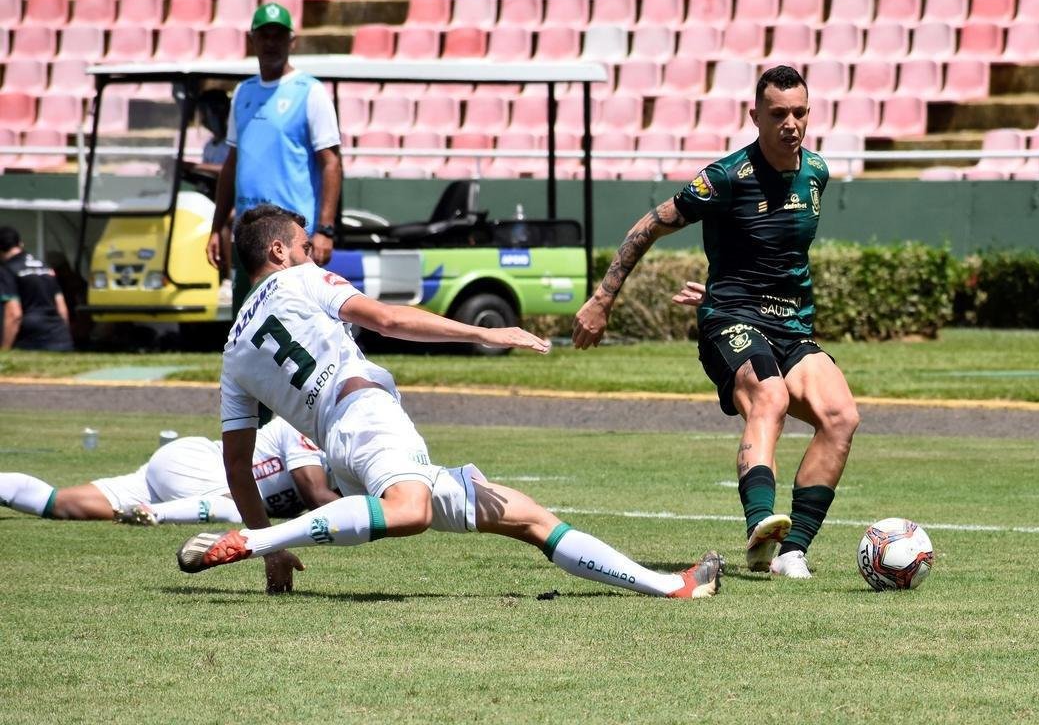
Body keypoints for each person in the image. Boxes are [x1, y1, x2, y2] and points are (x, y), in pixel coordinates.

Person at [176, 204, 723, 598]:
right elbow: (388, 319)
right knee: (409, 511)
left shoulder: (232, 350)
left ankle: (671, 586)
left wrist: (274, 558)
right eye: (302, 244)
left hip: (342, 450)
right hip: (365, 417)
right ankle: (254, 537)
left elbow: (236, 465)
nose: (310, 251)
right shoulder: (302, 280)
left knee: (527, 516)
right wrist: (486, 333)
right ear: (279, 251)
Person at [572, 66, 860, 580]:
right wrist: (602, 298)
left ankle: (791, 551)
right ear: (755, 116)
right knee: (768, 395)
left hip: (791, 324)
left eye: (800, 112)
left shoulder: (816, 171)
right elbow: (648, 227)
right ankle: (760, 525)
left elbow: (771, 255)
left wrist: (726, 282)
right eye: (778, 114)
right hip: (731, 319)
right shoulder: (726, 177)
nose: (791, 123)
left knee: (841, 417)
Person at [206, 2, 342, 312]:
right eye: (264, 35)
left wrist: (325, 229)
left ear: (291, 41)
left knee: (296, 322)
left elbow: (331, 162)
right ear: (251, 40)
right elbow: (232, 163)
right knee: (247, 324)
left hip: (291, 235)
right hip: (249, 234)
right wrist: (216, 228)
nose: (271, 43)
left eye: (278, 36)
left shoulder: (310, 91)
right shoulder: (243, 93)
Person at [0, 418, 340, 524]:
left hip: (183, 482)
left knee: (60, 504)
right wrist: (386, 519)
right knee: (235, 509)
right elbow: (316, 495)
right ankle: (152, 514)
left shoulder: (346, 458)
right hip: (195, 466)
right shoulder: (304, 425)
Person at [0, 226, 72, 351]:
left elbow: (14, 314)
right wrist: (62, 337)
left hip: (32, 340)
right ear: (20, 243)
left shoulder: (7, 271)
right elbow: (62, 309)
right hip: (60, 336)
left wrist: (4, 350)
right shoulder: (45, 267)